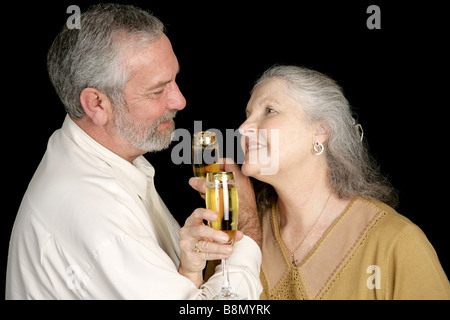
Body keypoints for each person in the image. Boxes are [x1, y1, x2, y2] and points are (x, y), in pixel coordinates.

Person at [5, 3, 262, 299]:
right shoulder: (96, 214)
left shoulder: (104, 158)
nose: (180, 101)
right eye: (157, 90)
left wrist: (189, 270)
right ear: (97, 104)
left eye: (174, 80)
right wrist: (248, 229)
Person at [237, 65, 449, 299]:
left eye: (269, 110)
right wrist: (190, 272)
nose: (243, 129)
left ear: (320, 132)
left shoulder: (398, 243)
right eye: (247, 115)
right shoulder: (237, 238)